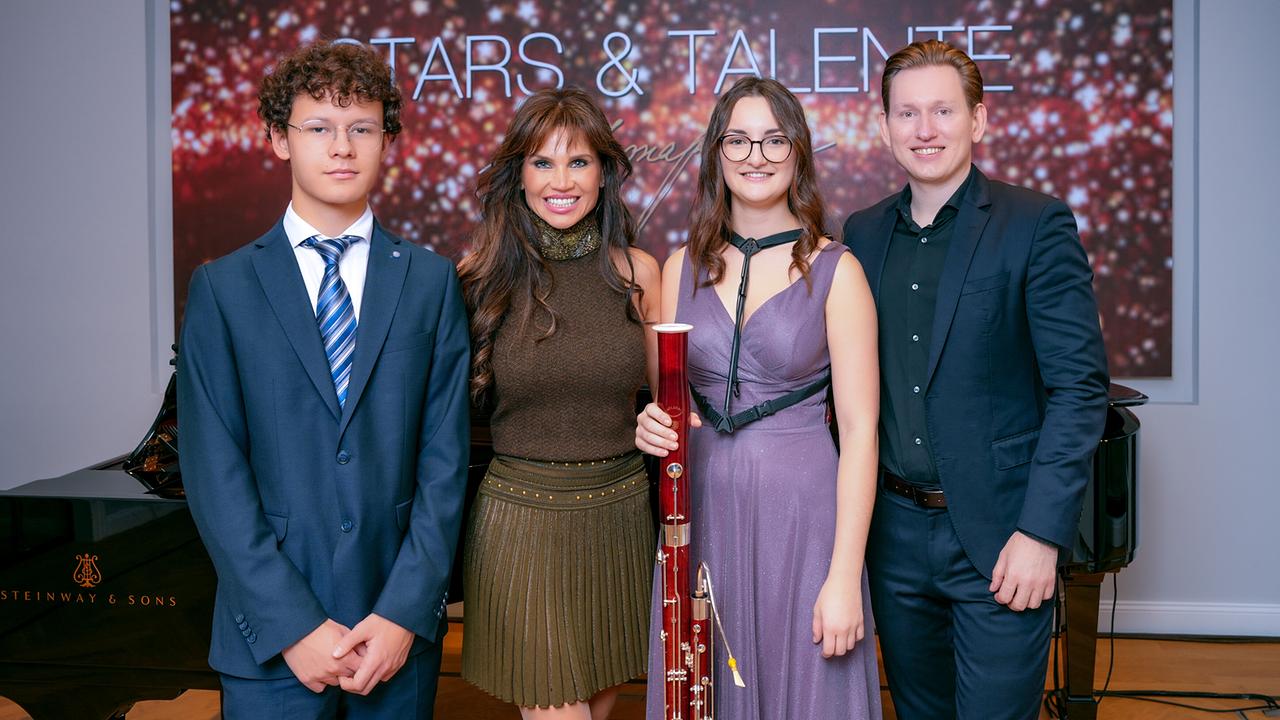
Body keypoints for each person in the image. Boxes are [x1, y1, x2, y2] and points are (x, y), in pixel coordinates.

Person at [177, 41, 470, 719]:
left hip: (394, 637)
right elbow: (215, 473)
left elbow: (445, 463)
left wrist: (403, 615)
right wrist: (293, 628)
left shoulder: (431, 282)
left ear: (386, 142)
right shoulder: (223, 288)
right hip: (270, 641)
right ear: (279, 139)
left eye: (361, 128)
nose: (342, 147)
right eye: (319, 127)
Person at [841, 40, 1110, 720]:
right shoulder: (861, 235)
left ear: (979, 120)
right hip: (894, 539)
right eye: (907, 113)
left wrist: (1041, 534)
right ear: (884, 127)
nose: (924, 130)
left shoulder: (1036, 224)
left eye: (942, 111)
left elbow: (1079, 390)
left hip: (1002, 538)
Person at [635, 77, 882, 719]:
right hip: (701, 516)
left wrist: (844, 575)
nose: (756, 155)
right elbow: (669, 406)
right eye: (738, 140)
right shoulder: (679, 268)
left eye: (774, 140)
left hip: (804, 520)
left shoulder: (838, 271)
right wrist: (649, 425)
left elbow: (860, 432)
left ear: (798, 151)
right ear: (716, 152)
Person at [457, 87, 661, 720]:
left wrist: (665, 421)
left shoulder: (640, 273)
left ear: (604, 173)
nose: (561, 181)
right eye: (542, 162)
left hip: (620, 516)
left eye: (578, 162)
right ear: (518, 175)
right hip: (522, 521)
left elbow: (673, 403)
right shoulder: (479, 276)